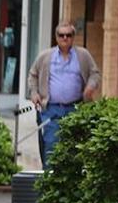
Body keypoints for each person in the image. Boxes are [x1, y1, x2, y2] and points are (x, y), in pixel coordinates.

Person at [27, 22, 101, 169]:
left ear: (73, 37)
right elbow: (33, 75)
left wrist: (90, 87)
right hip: (52, 109)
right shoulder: (45, 56)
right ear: (56, 37)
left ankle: (70, 184)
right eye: (62, 35)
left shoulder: (83, 55)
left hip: (76, 108)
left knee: (75, 147)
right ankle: (50, 184)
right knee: (51, 146)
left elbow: (95, 74)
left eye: (69, 35)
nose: (65, 38)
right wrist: (34, 93)